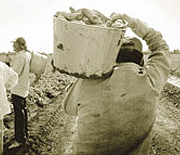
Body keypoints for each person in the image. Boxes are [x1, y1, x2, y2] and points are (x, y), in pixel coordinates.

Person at [62, 14, 171, 154]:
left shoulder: (90, 81)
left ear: (111, 58)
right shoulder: (151, 80)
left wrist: (84, 71)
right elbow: (160, 46)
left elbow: (68, 108)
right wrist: (131, 22)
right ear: (141, 61)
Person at [9, 37, 32, 148]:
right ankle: (25, 134)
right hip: (24, 86)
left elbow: (15, 73)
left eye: (15, 44)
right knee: (23, 111)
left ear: (19, 45)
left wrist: (7, 68)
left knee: (19, 114)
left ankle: (19, 139)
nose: (13, 46)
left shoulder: (19, 56)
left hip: (18, 88)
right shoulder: (27, 55)